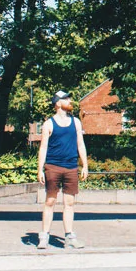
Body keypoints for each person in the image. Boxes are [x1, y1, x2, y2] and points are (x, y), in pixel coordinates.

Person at [37, 90, 89, 249]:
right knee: (50, 201)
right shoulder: (48, 124)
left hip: (71, 167)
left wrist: (85, 165)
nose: (70, 101)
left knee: (69, 203)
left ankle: (70, 237)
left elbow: (81, 144)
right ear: (58, 103)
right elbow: (43, 147)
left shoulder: (76, 122)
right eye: (66, 99)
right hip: (53, 166)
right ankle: (44, 237)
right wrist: (40, 169)